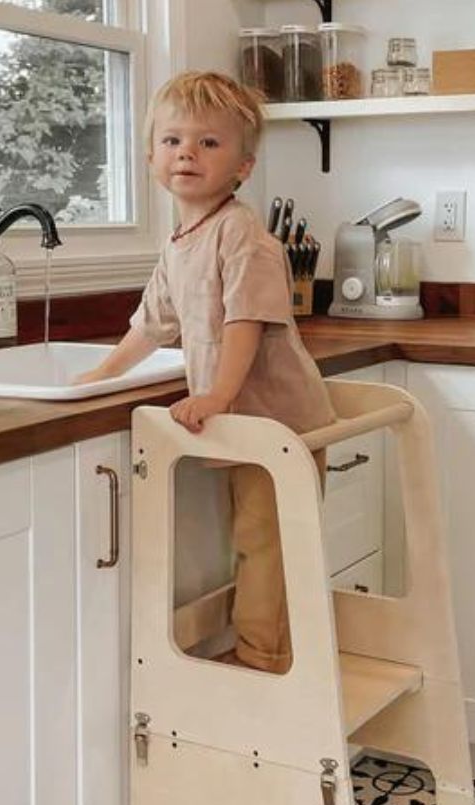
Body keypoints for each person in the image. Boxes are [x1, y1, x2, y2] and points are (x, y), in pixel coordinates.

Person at [76, 71, 335, 674]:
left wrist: (217, 392)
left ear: (243, 167)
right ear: (149, 158)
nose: (186, 152)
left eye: (208, 143)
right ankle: (265, 656)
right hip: (242, 426)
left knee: (266, 547)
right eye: (172, 141)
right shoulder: (180, 241)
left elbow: (246, 321)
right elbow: (152, 323)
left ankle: (267, 664)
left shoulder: (243, 236)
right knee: (251, 541)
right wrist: (101, 375)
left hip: (280, 427)